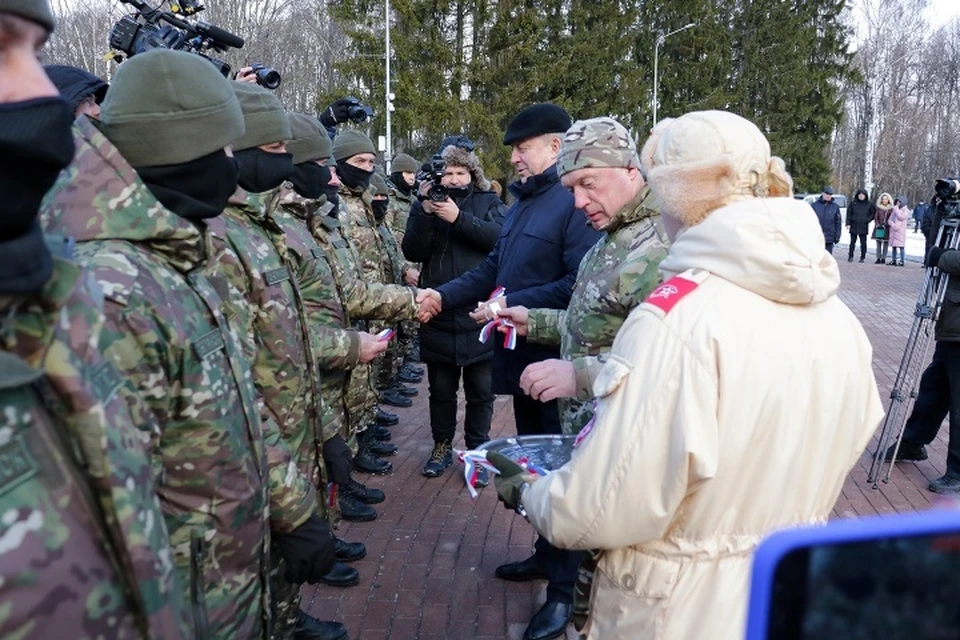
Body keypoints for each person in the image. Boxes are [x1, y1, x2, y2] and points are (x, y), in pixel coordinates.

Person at [493, 110, 883, 640]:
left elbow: (602, 508)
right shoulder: (839, 319)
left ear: (671, 190)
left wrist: (526, 489)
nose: (579, 200)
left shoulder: (678, 318)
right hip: (777, 587)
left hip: (675, 607)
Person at [40, 49, 335, 639]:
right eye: (226, 150)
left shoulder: (179, 258)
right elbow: (99, 522)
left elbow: (237, 404)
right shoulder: (114, 291)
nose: (233, 167)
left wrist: (295, 509)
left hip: (232, 581)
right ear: (184, 151)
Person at [1, 2, 190, 636]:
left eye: (33, 51)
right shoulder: (102, 275)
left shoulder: (53, 300)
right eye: (2, 50)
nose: (40, 95)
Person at [427, 103, 602, 640]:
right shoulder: (524, 204)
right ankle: (546, 553)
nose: (514, 159)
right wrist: (439, 295)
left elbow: (578, 285)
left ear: (554, 146)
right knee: (537, 463)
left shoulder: (573, 204)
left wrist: (509, 303)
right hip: (524, 362)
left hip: (559, 364)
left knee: (567, 473)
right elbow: (491, 269)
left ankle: (562, 593)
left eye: (522, 149)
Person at [209, 83, 353, 640]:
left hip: (292, 430)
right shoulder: (224, 237)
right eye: (277, 152)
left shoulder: (260, 227)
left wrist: (328, 432)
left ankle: (287, 618)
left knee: (279, 566)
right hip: (258, 450)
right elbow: (240, 383)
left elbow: (286, 344)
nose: (288, 166)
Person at [497, 116, 669, 437]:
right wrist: (535, 322)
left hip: (630, 444)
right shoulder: (611, 235)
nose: (578, 202)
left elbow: (674, 368)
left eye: (588, 183)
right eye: (570, 189)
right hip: (595, 439)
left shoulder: (661, 249)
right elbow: (599, 326)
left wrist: (580, 377)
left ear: (631, 170)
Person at [402, 140, 506, 480]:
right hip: (439, 311)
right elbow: (412, 248)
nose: (455, 179)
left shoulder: (488, 201)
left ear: (472, 174)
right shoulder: (429, 205)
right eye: (448, 173)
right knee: (441, 391)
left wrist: (459, 218)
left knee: (481, 393)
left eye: (461, 172)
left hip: (478, 312)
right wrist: (423, 211)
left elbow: (499, 239)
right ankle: (441, 446)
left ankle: (478, 453)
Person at [885, 214, 960, 494]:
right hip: (951, 324)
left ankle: (957, 472)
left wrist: (943, 257)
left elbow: (946, 255)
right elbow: (939, 233)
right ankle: (913, 442)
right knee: (934, 388)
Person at [811, 185, 841, 253]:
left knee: (828, 259)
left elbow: (838, 223)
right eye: (827, 194)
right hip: (817, 237)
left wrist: (837, 236)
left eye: (830, 194)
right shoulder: (814, 206)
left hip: (829, 238)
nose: (828, 196)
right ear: (822, 193)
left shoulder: (835, 207)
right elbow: (810, 221)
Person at [846, 189, 874, 262]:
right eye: (860, 194)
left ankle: (863, 256)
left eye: (863, 195)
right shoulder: (853, 203)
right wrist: (848, 223)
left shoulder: (869, 204)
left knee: (863, 243)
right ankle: (850, 256)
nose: (861, 196)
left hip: (863, 226)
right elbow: (849, 213)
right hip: (854, 225)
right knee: (852, 242)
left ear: (865, 196)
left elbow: (873, 213)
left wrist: (867, 220)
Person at [888, 195, 910, 266]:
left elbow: (901, 217)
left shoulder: (906, 210)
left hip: (900, 231)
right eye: (897, 202)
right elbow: (890, 219)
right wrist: (893, 225)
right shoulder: (895, 210)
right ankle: (893, 259)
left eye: (899, 202)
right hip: (894, 230)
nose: (898, 203)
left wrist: (896, 209)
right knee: (894, 246)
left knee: (901, 247)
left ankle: (902, 260)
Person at [873, 192, 893, 263]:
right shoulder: (879, 208)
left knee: (885, 244)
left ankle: (884, 258)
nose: (884, 200)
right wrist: (878, 224)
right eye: (883, 199)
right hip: (879, 227)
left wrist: (887, 224)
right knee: (878, 243)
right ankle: (878, 257)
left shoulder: (891, 209)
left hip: (887, 228)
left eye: (886, 199)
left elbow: (891, 218)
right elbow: (876, 217)